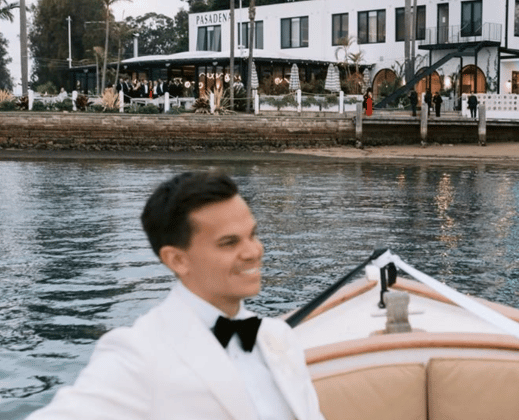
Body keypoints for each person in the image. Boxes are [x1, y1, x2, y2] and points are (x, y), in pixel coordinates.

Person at [28, 171, 325, 420]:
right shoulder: (139, 354)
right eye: (229, 242)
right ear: (177, 260)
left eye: (253, 234)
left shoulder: (278, 337)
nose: (253, 251)